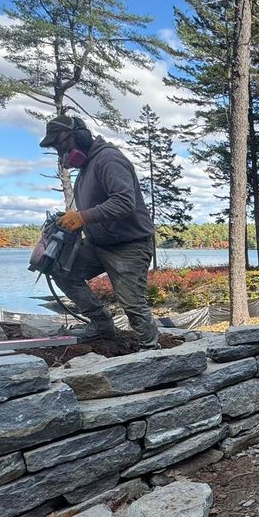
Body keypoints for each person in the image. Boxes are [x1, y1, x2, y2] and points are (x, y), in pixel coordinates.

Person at [38, 114, 160, 348]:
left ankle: (151, 350)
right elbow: (93, 211)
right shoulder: (85, 170)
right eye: (57, 149)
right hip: (99, 244)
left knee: (133, 304)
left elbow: (124, 202)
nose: (62, 154)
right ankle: (102, 324)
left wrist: (82, 217)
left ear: (80, 137)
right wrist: (69, 221)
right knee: (61, 269)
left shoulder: (109, 160)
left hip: (129, 246)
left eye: (63, 146)